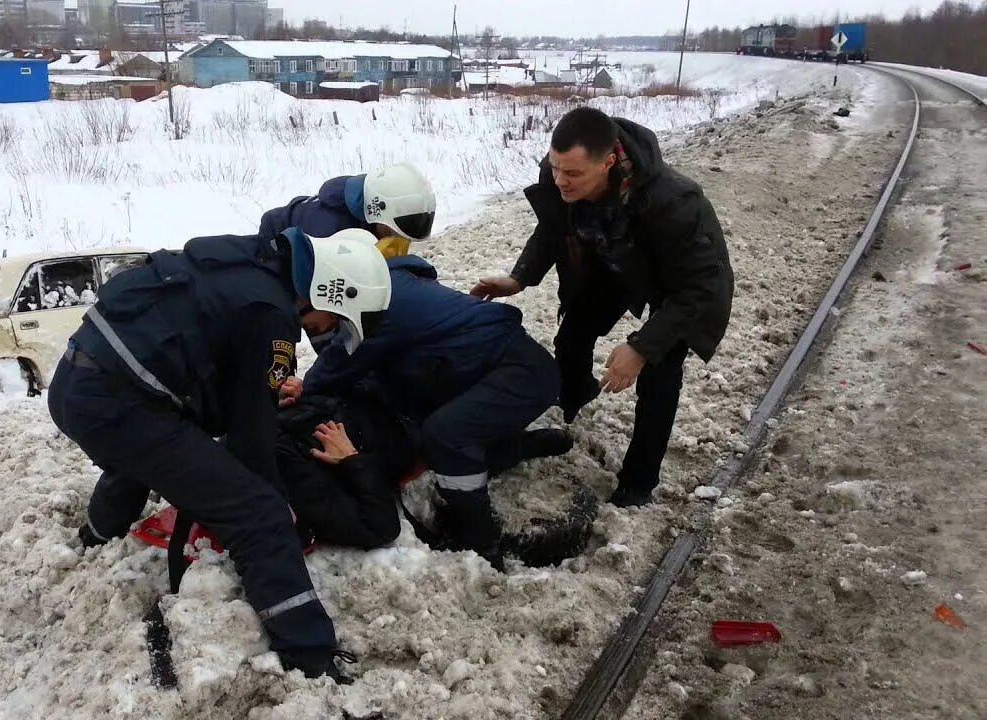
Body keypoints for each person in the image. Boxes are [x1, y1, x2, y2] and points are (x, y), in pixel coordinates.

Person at [48, 227, 391, 680]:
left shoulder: (252, 261)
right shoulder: (273, 316)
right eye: (338, 320)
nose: (323, 331)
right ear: (330, 294)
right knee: (259, 513)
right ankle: (311, 659)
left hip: (79, 384)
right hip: (118, 405)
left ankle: (96, 535)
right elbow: (251, 439)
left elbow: (215, 366)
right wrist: (278, 505)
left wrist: (259, 399)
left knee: (157, 449)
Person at [471, 106, 734, 508]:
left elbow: (700, 287)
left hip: (677, 284)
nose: (560, 180)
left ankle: (638, 482)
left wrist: (641, 347)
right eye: (555, 168)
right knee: (573, 333)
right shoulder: (561, 172)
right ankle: (573, 399)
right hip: (614, 260)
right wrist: (519, 277)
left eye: (572, 174)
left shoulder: (674, 202)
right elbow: (552, 228)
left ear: (609, 162)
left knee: (658, 376)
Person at [293, 253, 568, 569]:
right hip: (497, 369)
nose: (306, 328)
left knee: (446, 435)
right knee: (436, 436)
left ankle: (480, 539)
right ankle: (522, 446)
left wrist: (303, 391)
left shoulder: (376, 313)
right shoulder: (382, 286)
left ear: (327, 295)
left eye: (304, 316)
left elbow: (338, 364)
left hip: (521, 374)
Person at [275, 390, 598, 566]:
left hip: (388, 404)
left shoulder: (260, 445)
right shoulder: (296, 486)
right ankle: (520, 446)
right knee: (447, 467)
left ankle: (519, 441)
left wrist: (306, 390)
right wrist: (351, 461)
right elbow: (379, 527)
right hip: (402, 438)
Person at [258, 162, 438, 246]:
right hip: (274, 246)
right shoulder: (331, 232)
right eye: (395, 231)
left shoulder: (364, 201)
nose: (401, 239)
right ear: (377, 212)